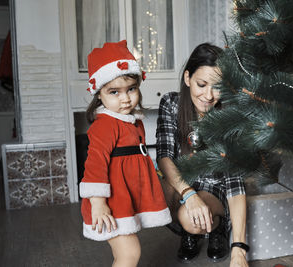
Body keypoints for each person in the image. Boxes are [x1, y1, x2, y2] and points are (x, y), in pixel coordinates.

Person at [79, 40, 172, 267]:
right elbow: (95, 164)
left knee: (127, 253)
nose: (126, 98)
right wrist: (98, 202)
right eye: (114, 92)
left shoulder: (133, 122)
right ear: (99, 94)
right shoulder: (105, 125)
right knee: (129, 253)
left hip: (126, 197)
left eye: (131, 89)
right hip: (112, 201)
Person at [156, 43, 249, 267]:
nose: (209, 95)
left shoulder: (228, 114)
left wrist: (239, 250)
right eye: (202, 84)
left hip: (213, 189)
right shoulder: (170, 103)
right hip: (181, 184)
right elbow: (164, 156)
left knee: (191, 220)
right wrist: (189, 195)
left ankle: (214, 226)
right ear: (187, 78)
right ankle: (190, 226)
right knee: (151, 195)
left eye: (217, 87)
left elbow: (235, 184)